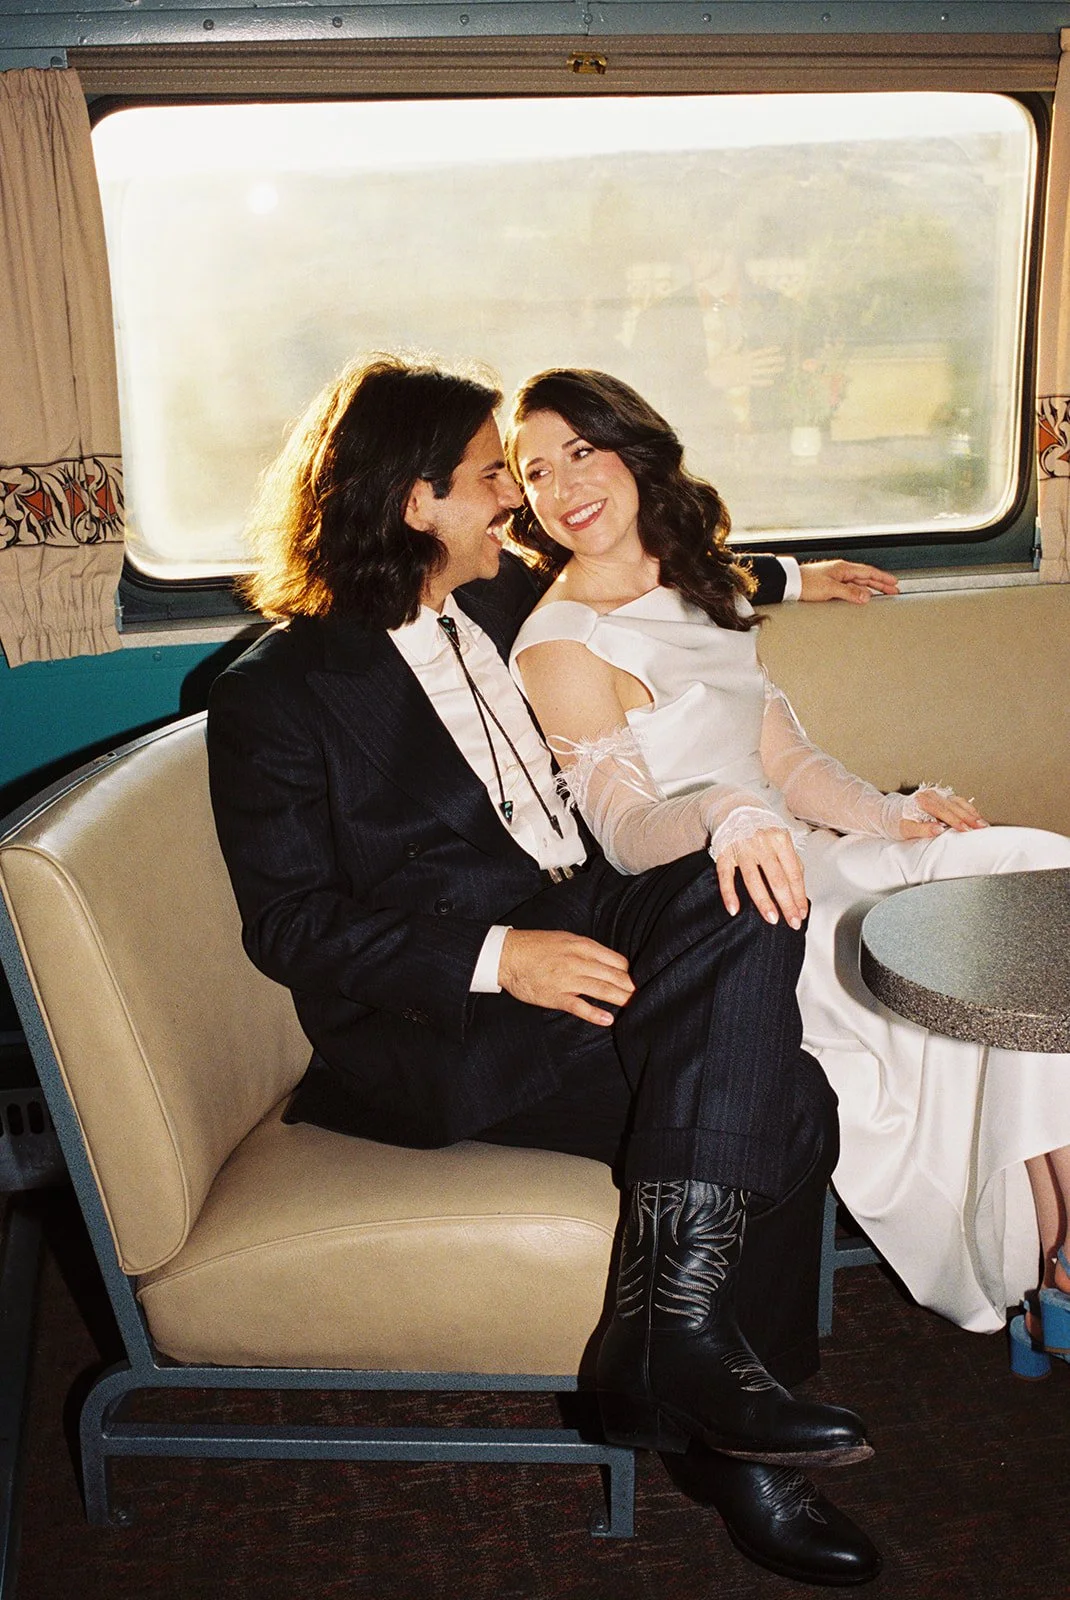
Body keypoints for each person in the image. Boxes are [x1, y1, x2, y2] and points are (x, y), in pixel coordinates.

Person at [206, 354, 882, 1587]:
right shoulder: (275, 695)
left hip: (584, 918)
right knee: (787, 1103)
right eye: (487, 481)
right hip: (443, 1022)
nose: (514, 502)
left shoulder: (506, 600)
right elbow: (288, 925)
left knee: (743, 862)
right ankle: (736, 1438)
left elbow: (647, 573)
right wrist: (497, 957)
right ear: (415, 504)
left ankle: (671, 1339)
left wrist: (798, 579)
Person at [504, 365, 1070, 1373]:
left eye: (579, 452)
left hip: (818, 854)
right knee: (991, 937)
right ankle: (1051, 1264)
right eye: (532, 470)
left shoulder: (699, 581)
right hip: (737, 905)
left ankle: (1055, 1252)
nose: (560, 487)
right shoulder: (555, 641)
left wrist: (894, 817)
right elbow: (627, 828)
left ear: (633, 448)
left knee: (1036, 870)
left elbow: (786, 762)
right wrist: (724, 814)